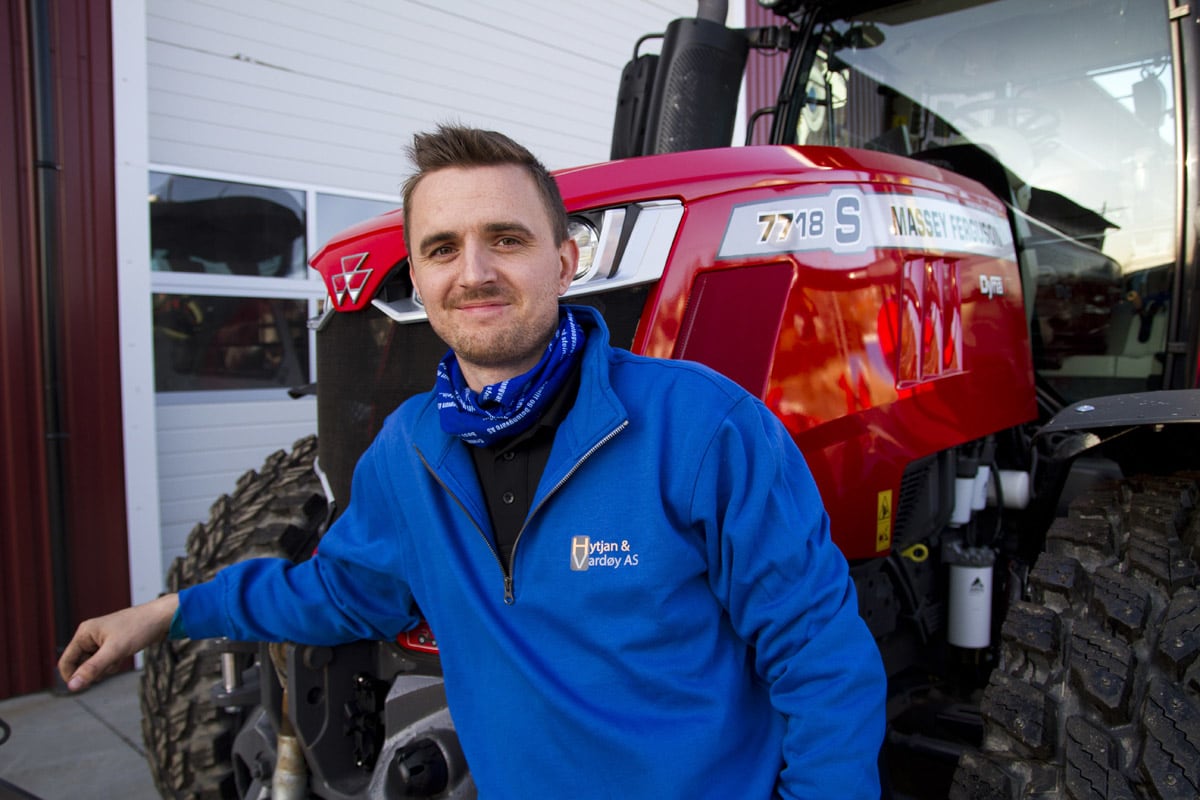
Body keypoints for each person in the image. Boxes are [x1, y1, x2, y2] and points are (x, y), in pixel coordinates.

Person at [60, 125, 886, 798]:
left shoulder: (702, 426)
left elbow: (819, 655)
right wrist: (168, 613)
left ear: (566, 261)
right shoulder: (409, 452)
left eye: (506, 239)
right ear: (418, 280)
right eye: (443, 248)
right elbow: (340, 593)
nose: (475, 272)